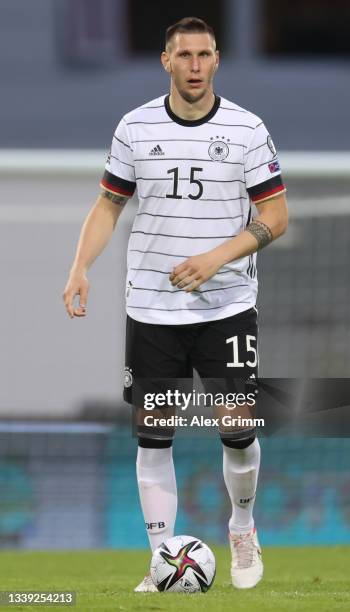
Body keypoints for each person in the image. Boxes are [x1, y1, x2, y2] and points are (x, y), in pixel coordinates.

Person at [63, 16, 288, 591]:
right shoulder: (134, 128)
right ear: (166, 61)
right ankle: (165, 559)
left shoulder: (247, 130)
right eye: (183, 55)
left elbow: (276, 218)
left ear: (217, 60)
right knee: (154, 431)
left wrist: (216, 257)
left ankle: (242, 526)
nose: (194, 65)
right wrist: (80, 266)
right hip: (153, 309)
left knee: (237, 428)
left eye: (204, 54)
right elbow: (108, 206)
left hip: (228, 305)